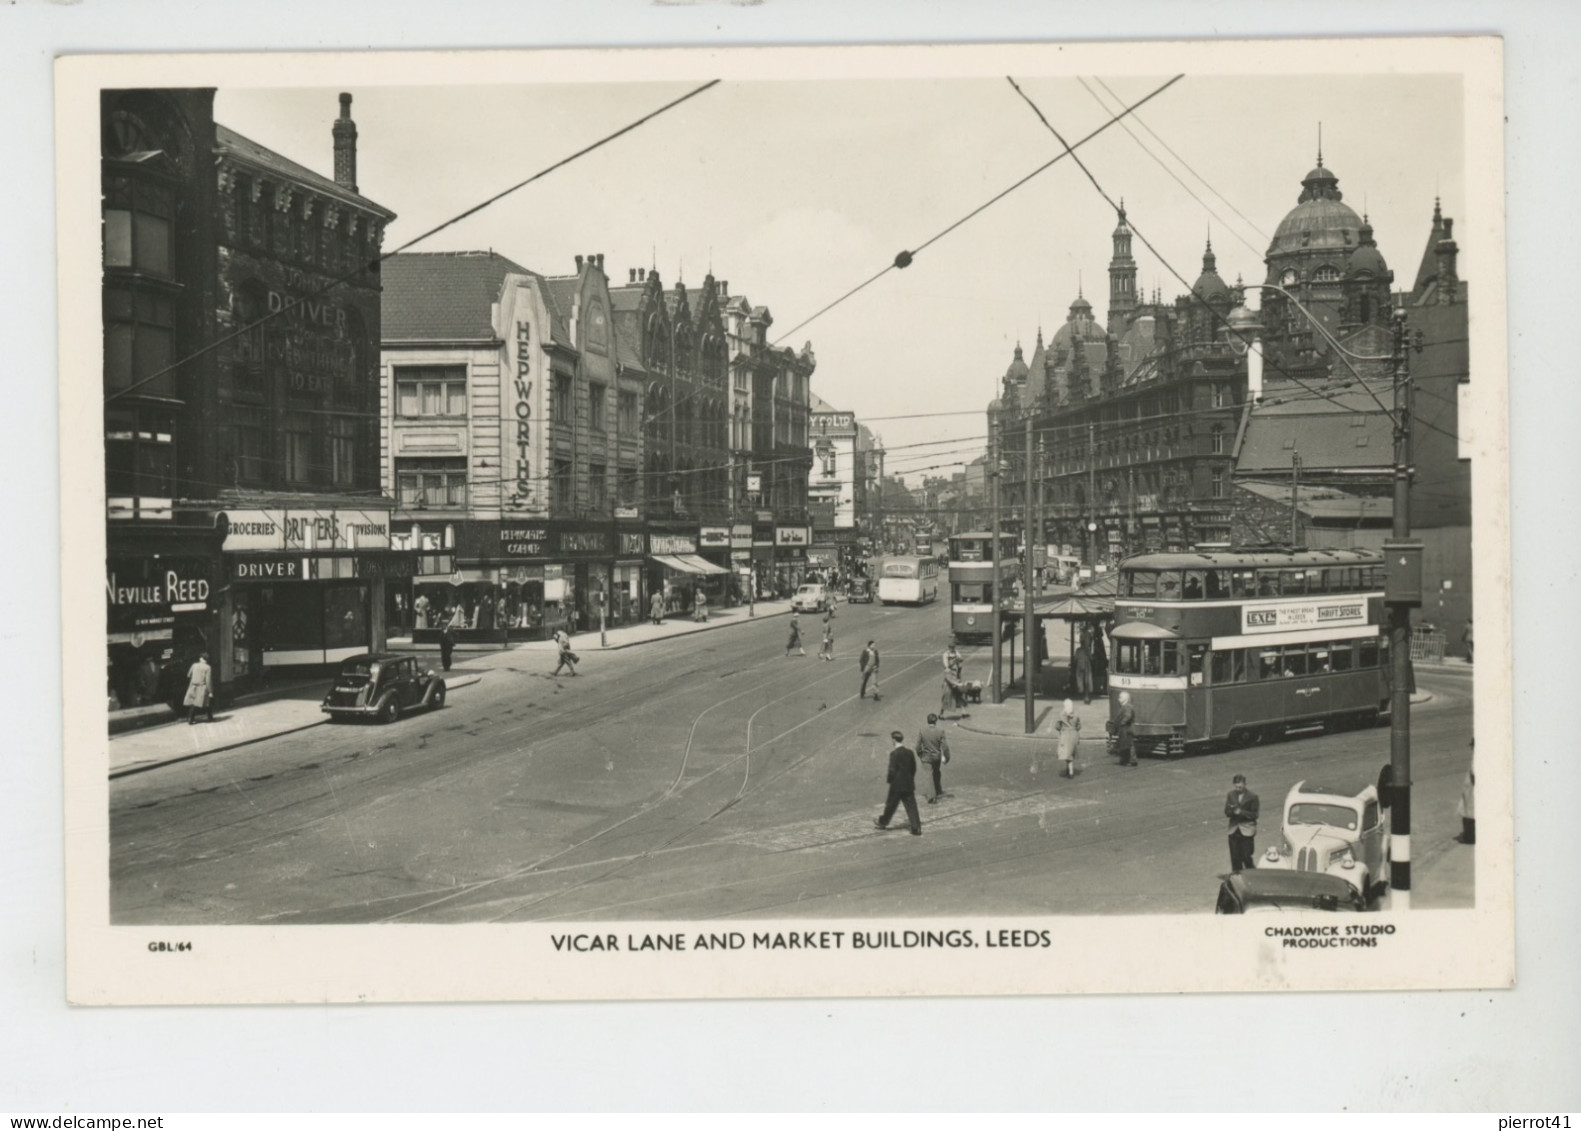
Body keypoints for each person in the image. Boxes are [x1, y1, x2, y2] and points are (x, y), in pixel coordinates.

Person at [874, 730, 922, 836]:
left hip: (896, 785)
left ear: (894, 740)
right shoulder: (910, 752)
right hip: (908, 784)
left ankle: (883, 822)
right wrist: (910, 778)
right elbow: (913, 768)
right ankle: (916, 827)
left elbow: (892, 770)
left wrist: (890, 780)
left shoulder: (894, 754)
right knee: (911, 806)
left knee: (891, 805)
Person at [1224, 773, 1260, 872]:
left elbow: (1255, 815)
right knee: (1235, 857)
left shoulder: (1253, 797)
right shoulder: (1231, 795)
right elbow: (1226, 811)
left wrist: (1241, 812)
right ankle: (1237, 877)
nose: (1238, 789)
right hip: (1234, 829)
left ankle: (1251, 874)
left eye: (1240, 786)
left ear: (1245, 784)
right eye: (1236, 787)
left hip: (1247, 829)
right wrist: (1231, 811)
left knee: (1246, 855)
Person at [916, 714, 951, 803]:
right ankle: (938, 790)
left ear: (927, 721)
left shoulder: (922, 730)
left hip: (926, 757)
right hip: (936, 757)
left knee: (929, 775)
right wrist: (946, 758)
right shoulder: (940, 731)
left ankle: (931, 797)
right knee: (936, 772)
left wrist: (920, 754)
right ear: (935, 721)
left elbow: (917, 746)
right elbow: (945, 747)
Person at [182, 652, 214, 725]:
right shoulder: (208, 667)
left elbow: (188, 675)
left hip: (193, 686)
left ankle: (190, 719)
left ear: (200, 659)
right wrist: (210, 691)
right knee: (207, 702)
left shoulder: (194, 665)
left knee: (193, 703)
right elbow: (208, 680)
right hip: (202, 687)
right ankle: (210, 717)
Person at [1055, 699, 1081, 778]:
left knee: (1066, 753)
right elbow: (1079, 726)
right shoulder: (1076, 714)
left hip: (1065, 735)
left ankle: (1070, 772)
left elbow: (1057, 726)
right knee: (1070, 753)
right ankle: (1069, 769)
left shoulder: (1061, 715)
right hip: (1074, 735)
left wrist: (1061, 729)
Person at [1113, 690, 1137, 766]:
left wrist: (1122, 723)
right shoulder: (1125, 706)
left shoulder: (1127, 707)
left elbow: (1128, 716)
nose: (1118, 699)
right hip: (1125, 729)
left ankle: (1131, 761)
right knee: (1125, 744)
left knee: (1128, 745)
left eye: (1120, 697)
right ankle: (1125, 760)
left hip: (1126, 729)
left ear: (1125, 699)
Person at [1072, 639, 1094, 705]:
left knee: (1079, 676)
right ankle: (1088, 692)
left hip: (1080, 664)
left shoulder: (1078, 650)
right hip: (1087, 664)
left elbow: (1075, 659)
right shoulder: (1088, 650)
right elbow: (1091, 658)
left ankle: (1080, 689)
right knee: (1088, 679)